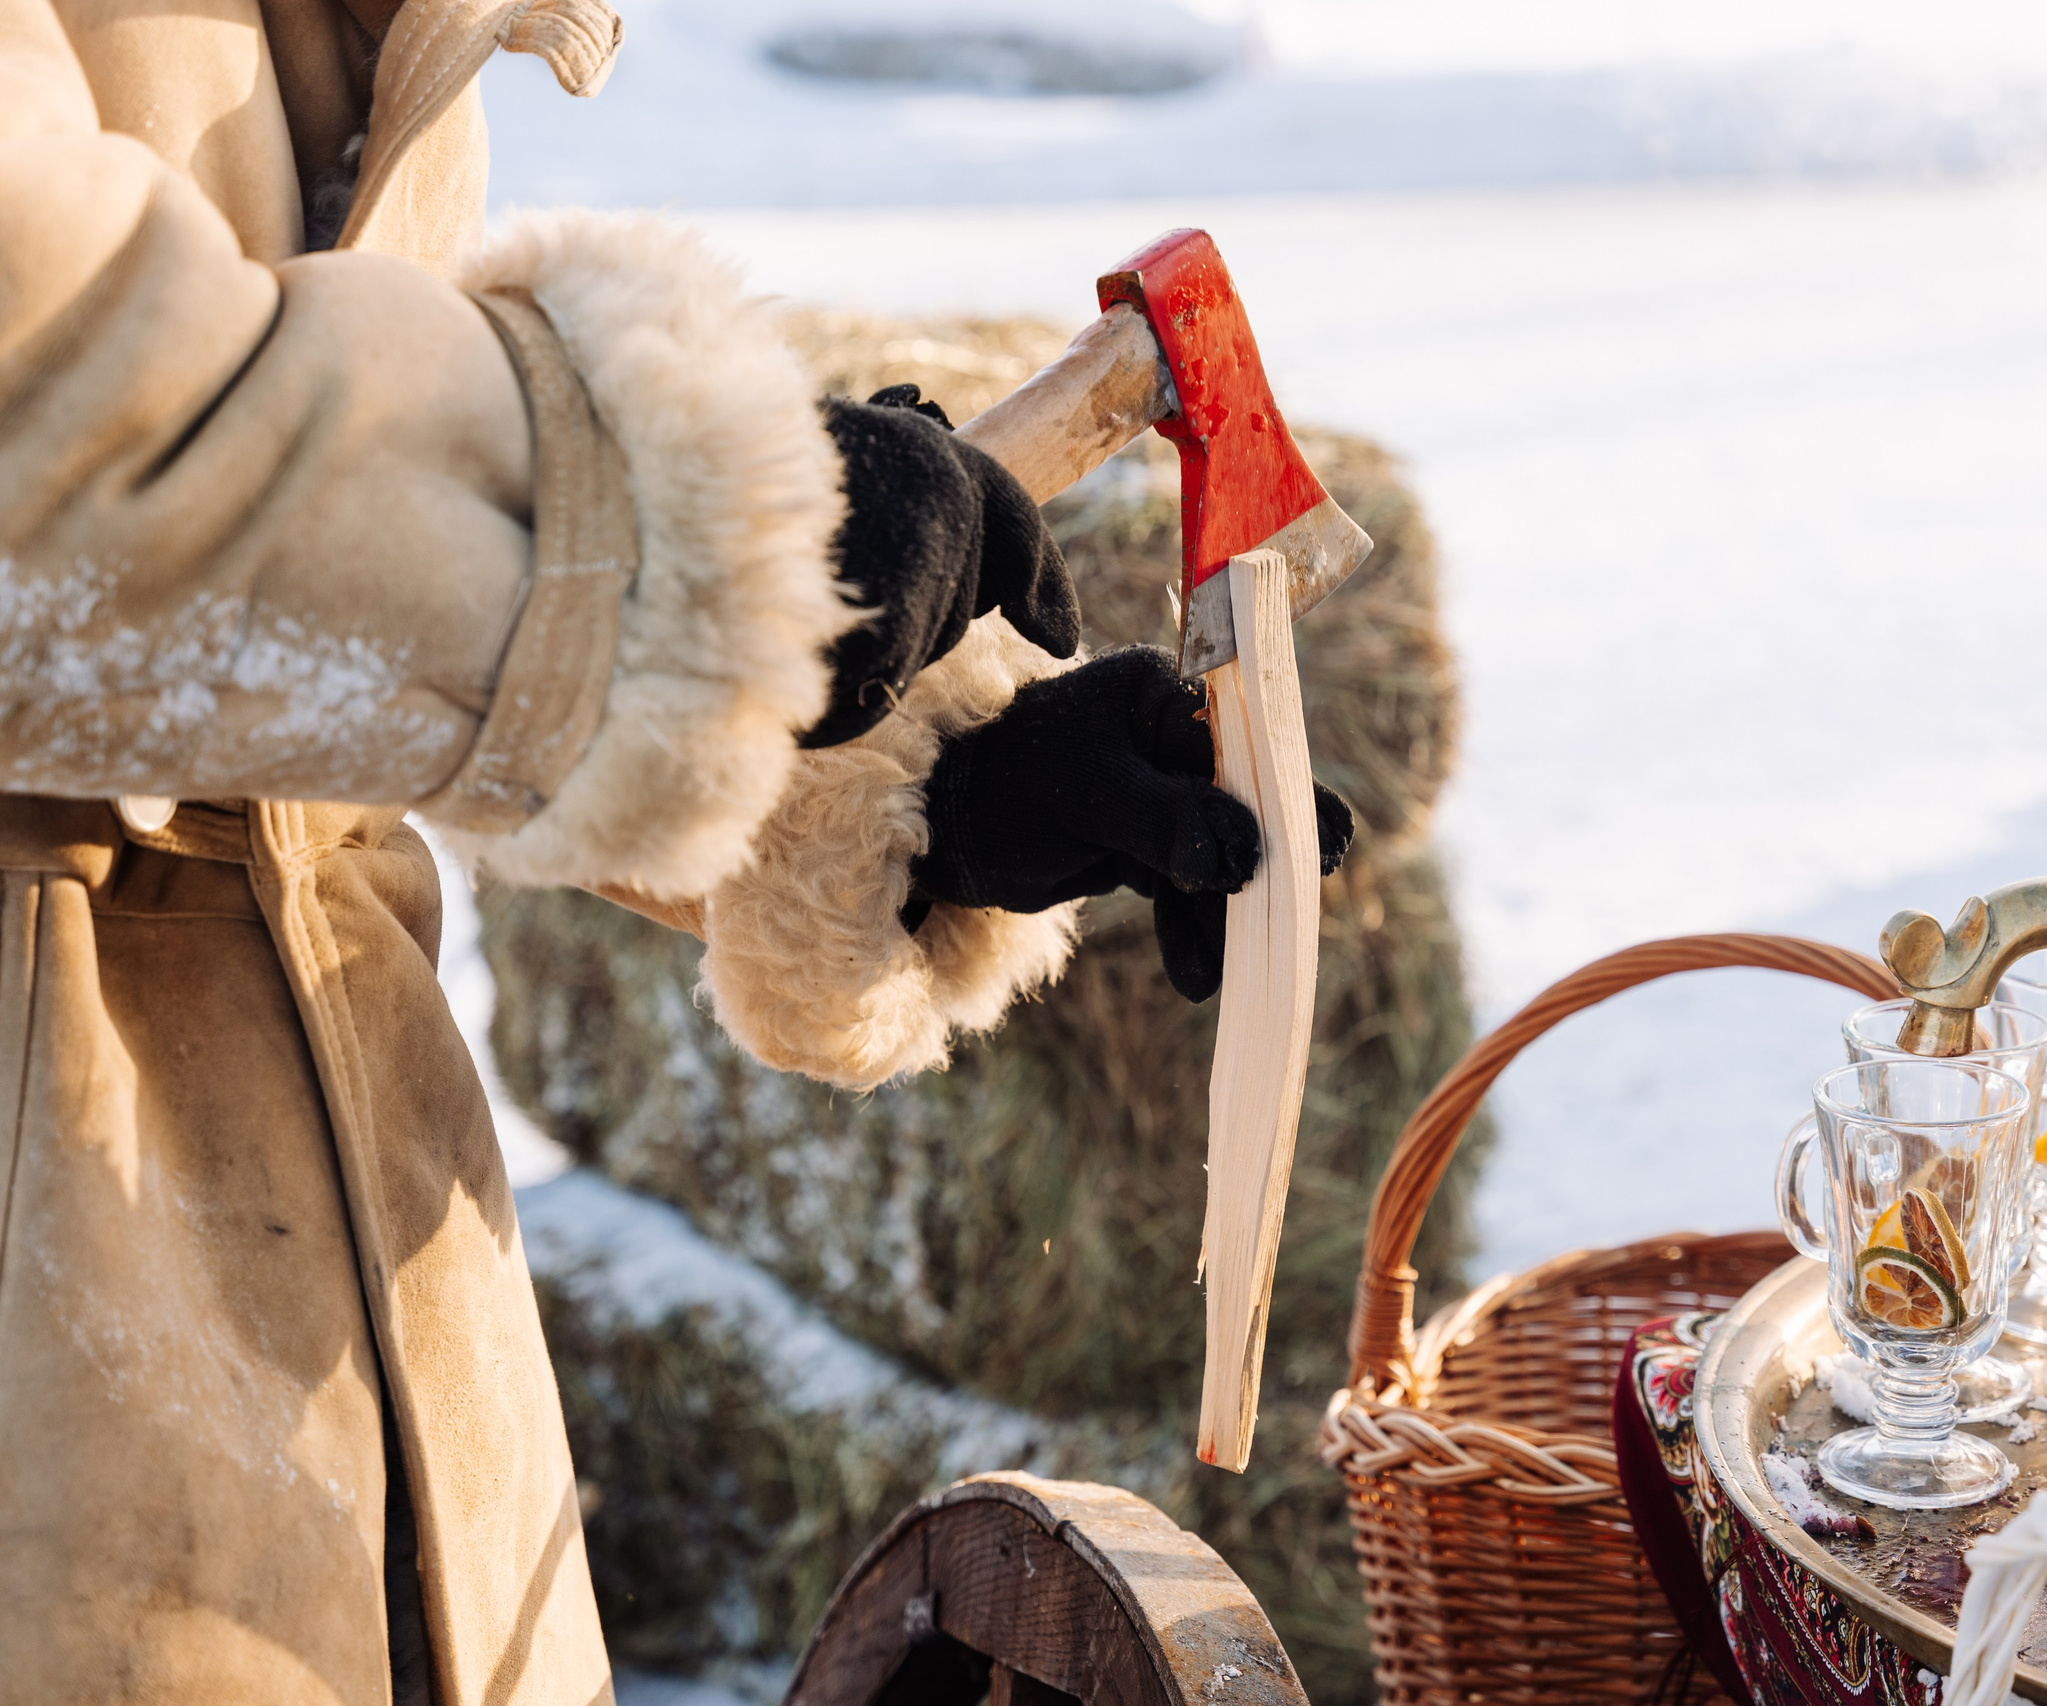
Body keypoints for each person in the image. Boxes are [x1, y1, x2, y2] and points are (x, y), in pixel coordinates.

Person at [0, 4, 1346, 1702]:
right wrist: (700, 534)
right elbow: (45, 421)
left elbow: (328, 631)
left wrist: (906, 785)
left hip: (361, 1283)